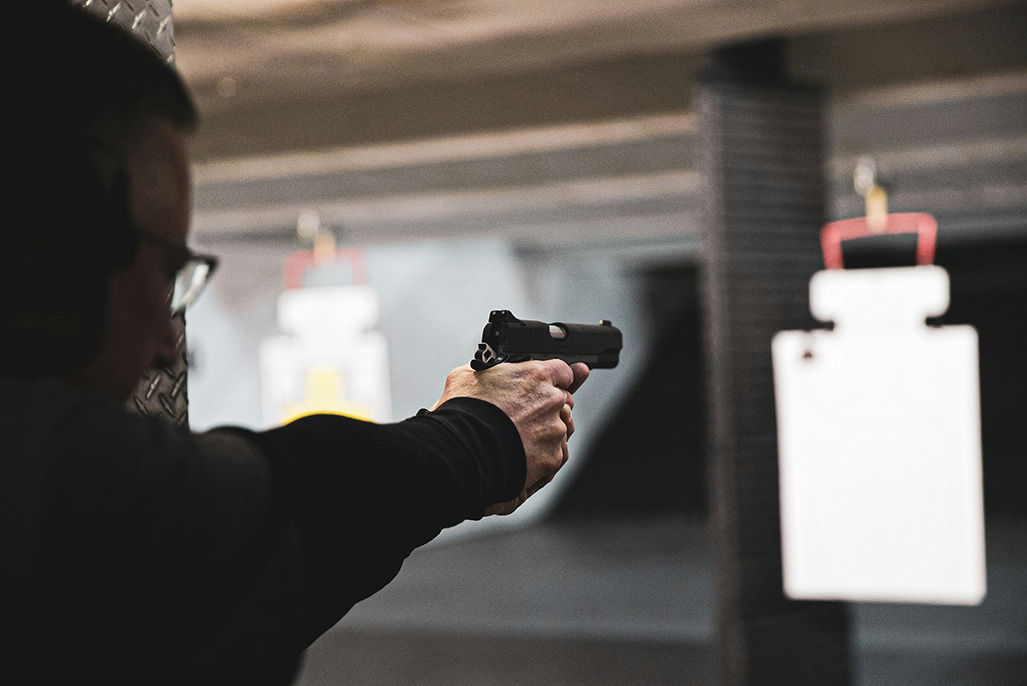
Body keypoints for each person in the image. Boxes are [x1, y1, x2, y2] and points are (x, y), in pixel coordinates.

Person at [1, 5, 588, 683]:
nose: (167, 343)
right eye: (163, 270)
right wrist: (483, 437)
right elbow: (290, 508)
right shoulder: (39, 480)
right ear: (52, 255)